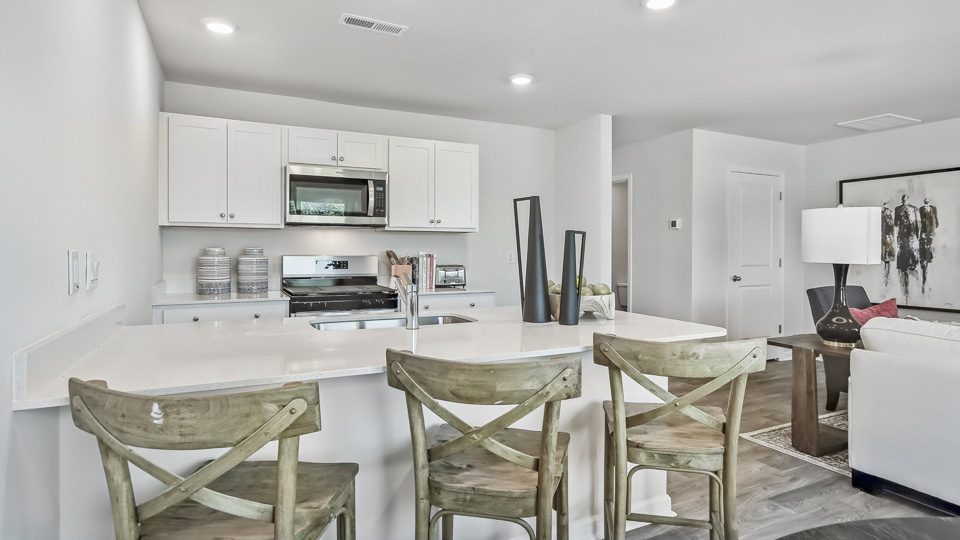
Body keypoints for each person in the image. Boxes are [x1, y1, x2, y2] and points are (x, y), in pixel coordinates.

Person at [894, 194, 919, 302]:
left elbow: (917, 223)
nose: (904, 201)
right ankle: (905, 266)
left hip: (911, 234)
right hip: (902, 234)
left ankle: (912, 265)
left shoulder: (914, 209)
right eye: (903, 200)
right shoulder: (897, 209)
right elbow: (896, 223)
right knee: (904, 251)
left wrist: (917, 236)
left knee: (911, 251)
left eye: (905, 200)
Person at [918, 197, 939, 293]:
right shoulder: (921, 209)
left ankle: (927, 279)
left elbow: (936, 223)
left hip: (930, 235)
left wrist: (931, 231)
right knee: (923, 258)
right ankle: (924, 278)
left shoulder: (933, 209)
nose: (926, 201)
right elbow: (919, 223)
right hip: (923, 236)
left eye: (927, 200)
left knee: (929, 258)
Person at [881, 201, 895, 287]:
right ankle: (886, 274)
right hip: (884, 236)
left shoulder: (890, 215)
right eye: (885, 208)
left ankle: (887, 274)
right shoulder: (883, 215)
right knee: (886, 257)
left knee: (888, 258)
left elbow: (892, 226)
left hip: (889, 237)